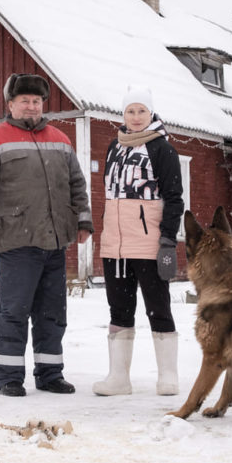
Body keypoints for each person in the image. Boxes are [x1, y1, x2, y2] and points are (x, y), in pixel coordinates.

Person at [0, 73, 94, 397]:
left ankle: (50, 374)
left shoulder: (61, 140)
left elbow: (77, 186)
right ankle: (9, 377)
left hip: (54, 241)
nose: (31, 106)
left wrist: (83, 222)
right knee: (14, 311)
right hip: (17, 241)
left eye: (36, 101)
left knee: (52, 313)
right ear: (10, 104)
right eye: (24, 100)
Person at [93, 86, 183, 396]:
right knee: (119, 310)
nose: (135, 117)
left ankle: (168, 375)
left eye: (141, 111)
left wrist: (168, 239)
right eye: (130, 111)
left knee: (158, 307)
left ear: (151, 113)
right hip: (114, 245)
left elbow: (174, 198)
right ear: (123, 114)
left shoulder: (162, 149)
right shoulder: (113, 147)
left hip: (149, 243)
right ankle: (119, 378)